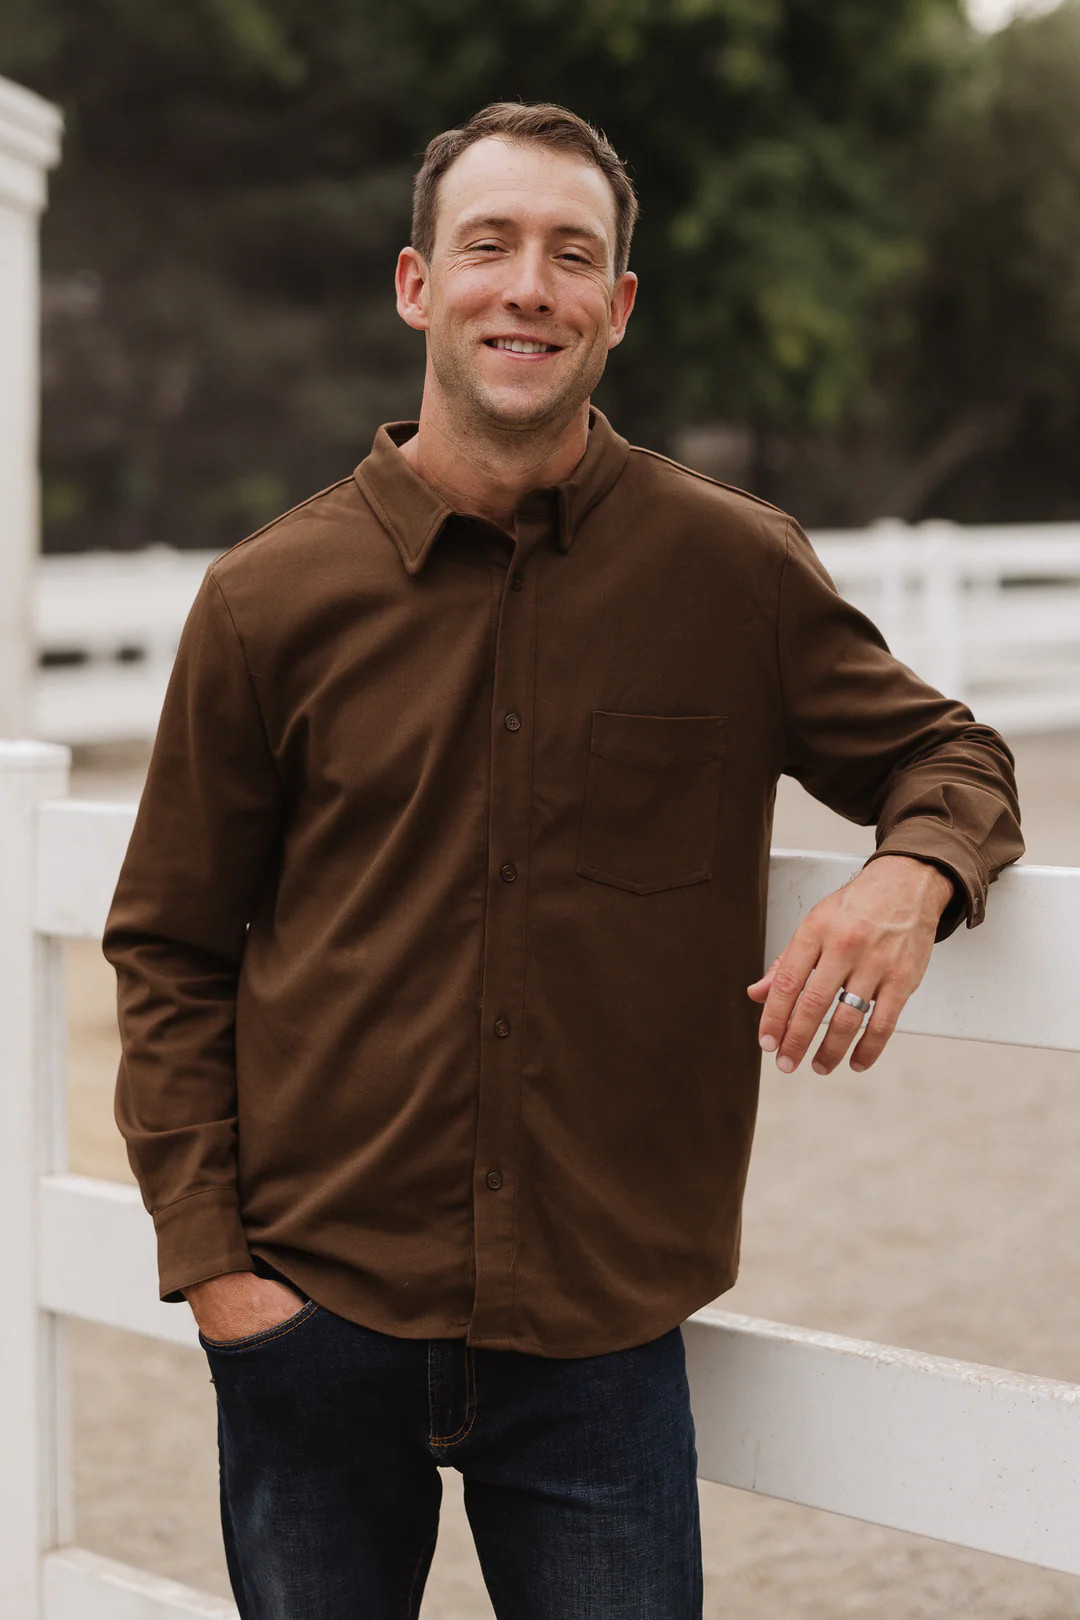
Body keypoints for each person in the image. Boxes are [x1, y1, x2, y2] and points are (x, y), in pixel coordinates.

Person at [102, 101, 1024, 1620]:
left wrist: (909, 875)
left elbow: (954, 758)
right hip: (312, 1317)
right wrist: (222, 1279)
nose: (528, 284)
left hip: (600, 1341)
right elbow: (170, 946)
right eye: (490, 245)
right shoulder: (267, 601)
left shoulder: (733, 569)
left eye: (571, 254)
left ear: (618, 307)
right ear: (418, 285)